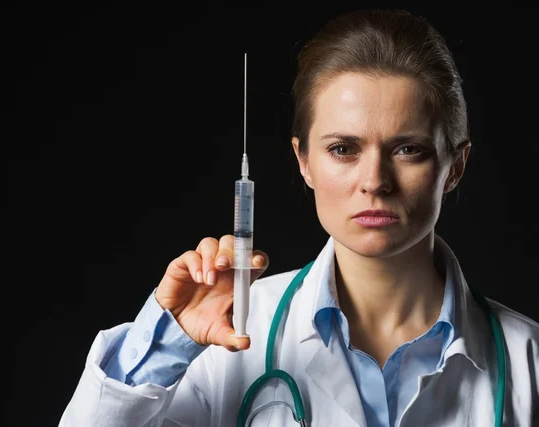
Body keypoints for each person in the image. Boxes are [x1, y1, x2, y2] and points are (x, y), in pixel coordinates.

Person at [58, 9, 539, 427]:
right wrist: (163, 348)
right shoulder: (229, 336)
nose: (374, 180)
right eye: (343, 149)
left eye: (407, 149)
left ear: (455, 166)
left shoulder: (527, 359)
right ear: (304, 161)